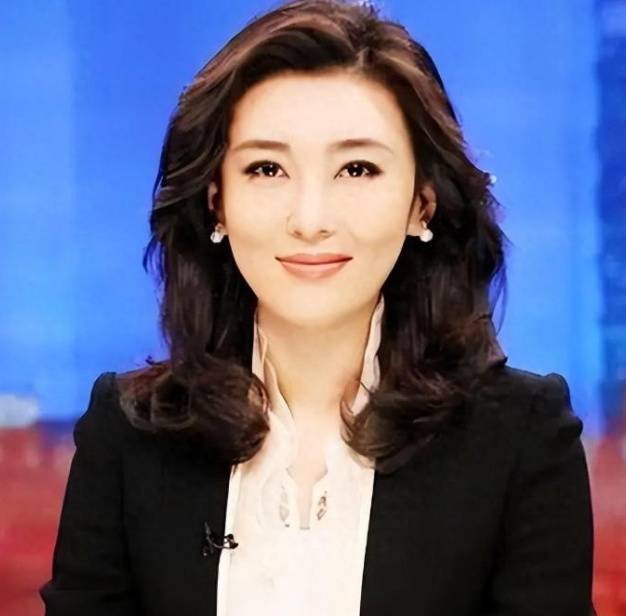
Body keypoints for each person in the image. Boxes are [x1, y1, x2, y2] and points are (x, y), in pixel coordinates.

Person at [39, 0, 595, 614]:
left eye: (356, 169)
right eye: (266, 168)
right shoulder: (128, 433)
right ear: (216, 201)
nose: (310, 220)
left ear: (423, 203)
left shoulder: (522, 437)